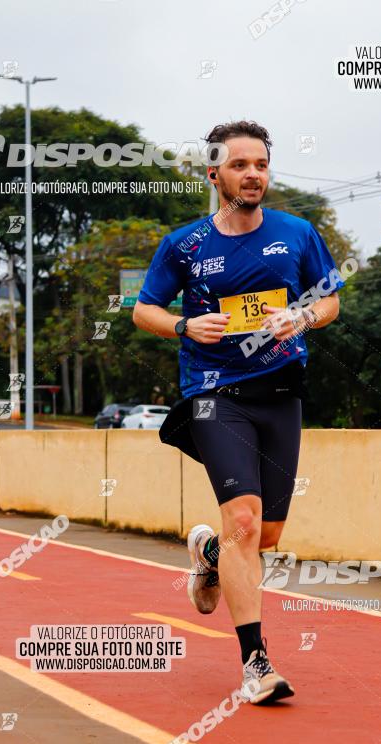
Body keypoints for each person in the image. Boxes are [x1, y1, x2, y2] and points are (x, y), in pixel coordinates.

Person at [133, 120, 342, 704]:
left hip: (280, 394)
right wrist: (183, 323)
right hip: (214, 394)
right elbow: (143, 310)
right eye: (240, 165)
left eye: (261, 165)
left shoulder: (298, 233)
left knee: (265, 535)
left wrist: (302, 317)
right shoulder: (186, 244)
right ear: (215, 174)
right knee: (244, 520)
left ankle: (209, 553)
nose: (253, 174)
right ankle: (257, 665)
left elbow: (329, 300)